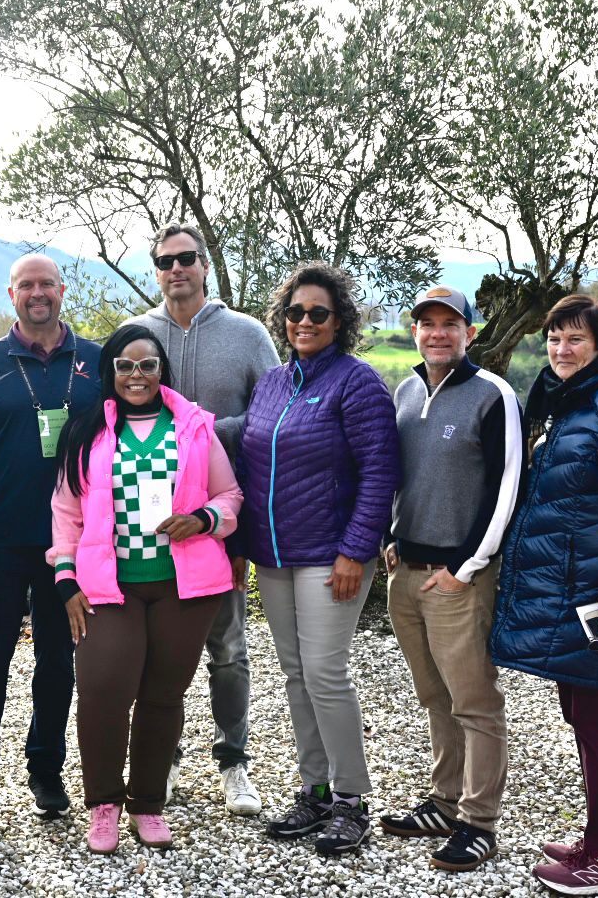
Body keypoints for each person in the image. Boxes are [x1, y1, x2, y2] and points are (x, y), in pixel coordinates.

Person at [490, 295, 598, 895]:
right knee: (586, 716)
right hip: (574, 591)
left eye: (575, 340)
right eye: (555, 339)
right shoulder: (571, 403)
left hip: (597, 598)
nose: (562, 351)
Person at [50, 324, 243, 854]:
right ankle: (104, 805)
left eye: (148, 365)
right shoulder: (86, 432)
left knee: (162, 696)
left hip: (185, 586)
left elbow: (229, 495)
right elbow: (65, 512)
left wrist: (203, 519)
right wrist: (65, 577)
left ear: (162, 370)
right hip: (108, 586)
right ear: (110, 371)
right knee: (102, 691)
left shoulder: (195, 427)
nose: (137, 375)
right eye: (125, 365)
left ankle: (148, 804)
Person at [239, 262, 400, 856]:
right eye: (295, 312)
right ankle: (315, 790)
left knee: (326, 674)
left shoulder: (357, 383)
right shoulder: (271, 383)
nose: (304, 321)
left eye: (318, 313)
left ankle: (352, 800)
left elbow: (380, 473)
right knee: (295, 674)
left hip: (331, 556)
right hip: (273, 557)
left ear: (339, 321)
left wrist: (356, 550)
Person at [125, 223, 277, 814]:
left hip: (220, 519)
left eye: (186, 258)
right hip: (144, 527)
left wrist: (206, 432)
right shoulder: (138, 334)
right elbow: (114, 413)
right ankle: (161, 759)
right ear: (156, 270)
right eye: (165, 261)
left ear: (205, 265)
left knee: (228, 648)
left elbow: (273, 415)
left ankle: (233, 760)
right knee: (155, 652)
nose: (176, 269)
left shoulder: (247, 334)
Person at [0, 253, 103, 831]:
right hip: (0, 541)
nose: (37, 293)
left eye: (46, 284)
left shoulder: (95, 360)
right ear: (10, 294)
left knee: (58, 661)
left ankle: (46, 770)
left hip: (72, 542)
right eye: (26, 285)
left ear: (62, 290)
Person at [378, 285, 521, 872]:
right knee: (435, 696)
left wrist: (465, 569)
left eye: (450, 324)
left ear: (470, 332)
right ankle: (444, 802)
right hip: (407, 574)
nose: (437, 334)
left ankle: (478, 822)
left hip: (458, 578)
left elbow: (506, 488)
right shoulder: (407, 392)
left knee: (474, 702)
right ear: (414, 330)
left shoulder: (494, 394)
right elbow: (398, 475)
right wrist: (389, 537)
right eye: (427, 324)